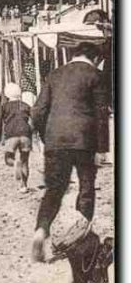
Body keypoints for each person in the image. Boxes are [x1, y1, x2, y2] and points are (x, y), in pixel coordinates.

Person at [30, 42, 109, 262]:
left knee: (54, 190)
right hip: (84, 141)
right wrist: (103, 149)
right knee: (86, 188)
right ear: (95, 58)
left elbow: (38, 111)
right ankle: (81, 239)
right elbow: (101, 114)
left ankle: (41, 230)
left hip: (55, 140)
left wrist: (47, 138)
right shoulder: (96, 75)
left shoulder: (55, 74)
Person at [0, 83, 33, 192]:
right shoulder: (25, 105)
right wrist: (34, 134)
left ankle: (15, 163)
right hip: (26, 134)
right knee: (25, 161)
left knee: (8, 158)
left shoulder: (4, 107)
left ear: (6, 95)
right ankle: (24, 186)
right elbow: (34, 119)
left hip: (12, 134)